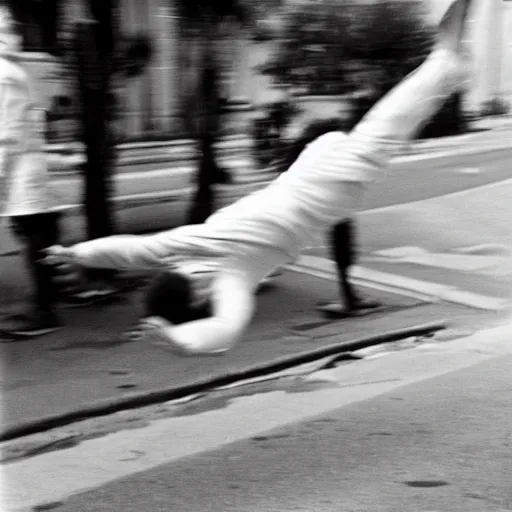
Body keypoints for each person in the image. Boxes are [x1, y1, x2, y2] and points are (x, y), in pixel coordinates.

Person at [46, 0, 473, 355]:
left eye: (188, 275)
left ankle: (447, 62)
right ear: (197, 294)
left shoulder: (217, 260)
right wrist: (178, 338)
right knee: (384, 127)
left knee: (383, 130)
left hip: (321, 180)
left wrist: (78, 253)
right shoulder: (231, 271)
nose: (195, 275)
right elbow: (221, 325)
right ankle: (446, 61)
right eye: (191, 281)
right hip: (320, 178)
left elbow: (136, 253)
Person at [0, 4, 65, 337]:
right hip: (29, 173)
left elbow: (7, 135)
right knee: (34, 234)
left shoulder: (5, 74)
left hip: (22, 175)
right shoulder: (17, 70)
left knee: (32, 236)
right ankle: (45, 302)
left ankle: (44, 310)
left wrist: (0, 177)